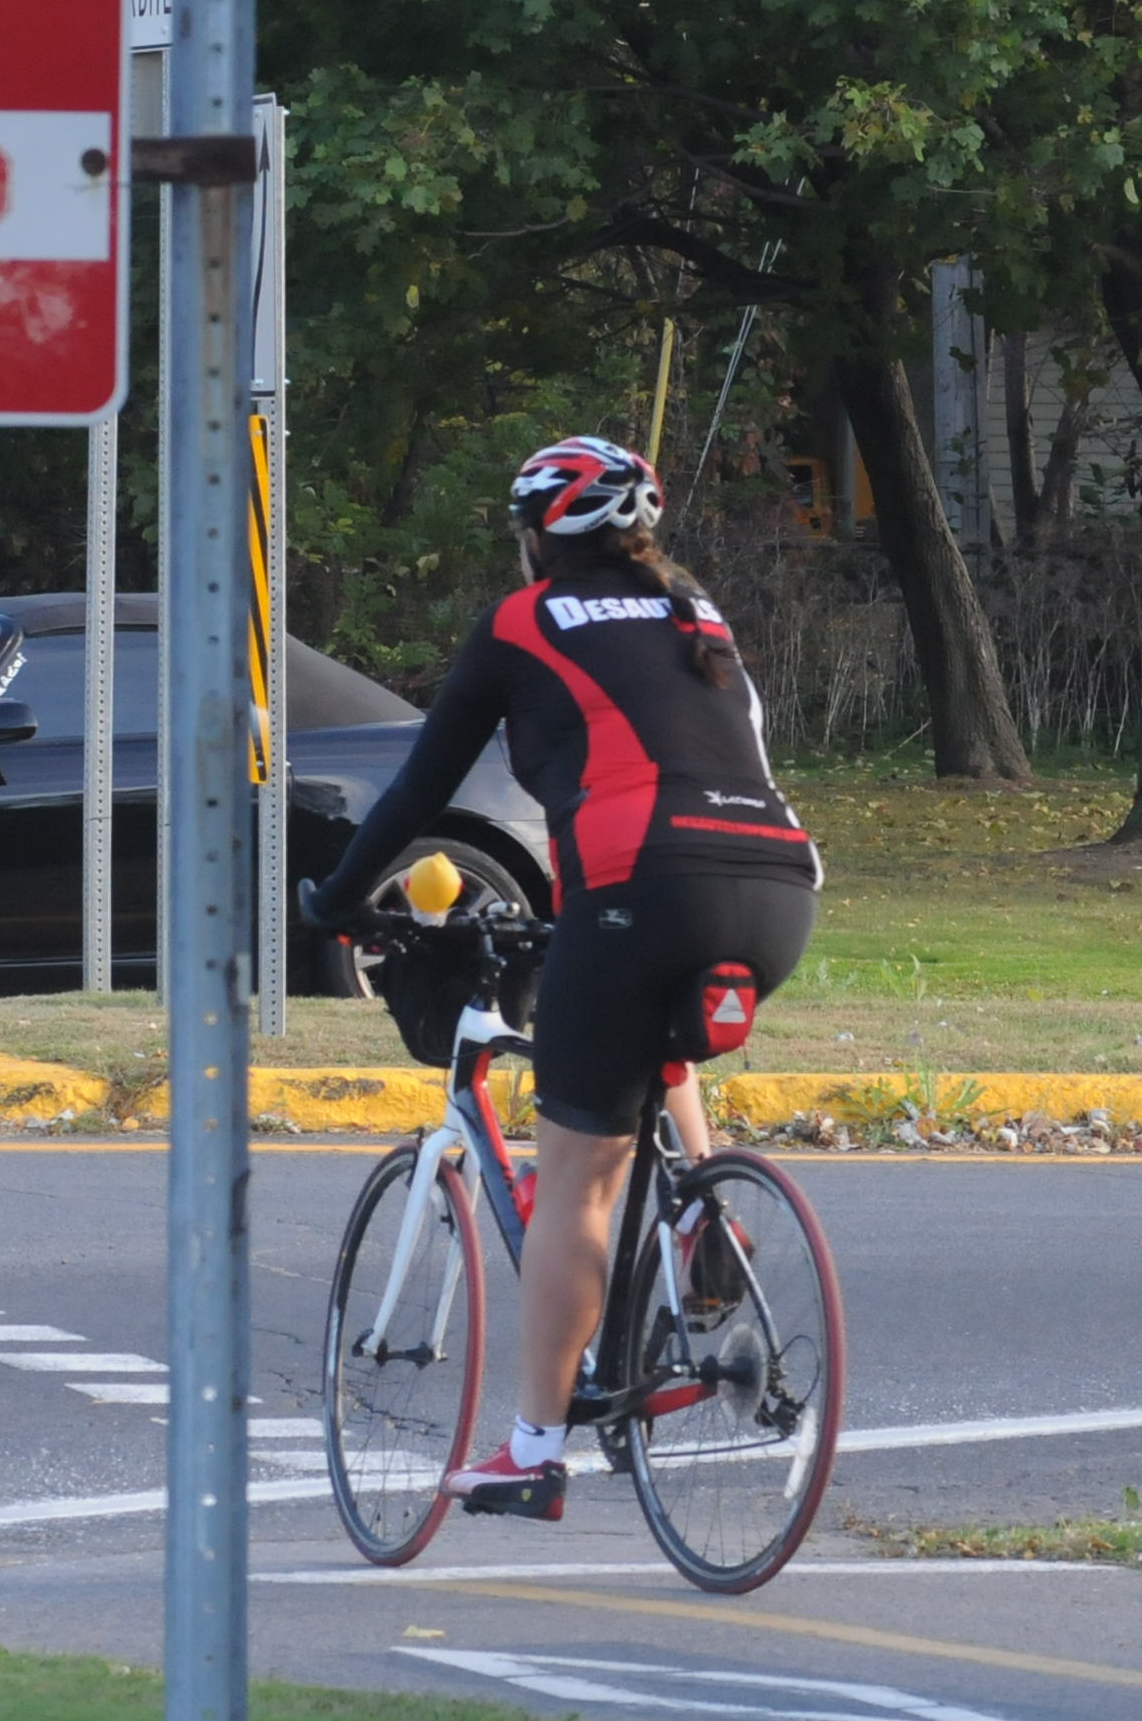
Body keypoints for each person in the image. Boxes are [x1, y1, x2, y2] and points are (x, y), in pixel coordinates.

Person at [300, 436, 821, 1518]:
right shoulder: (698, 615)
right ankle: (701, 1202)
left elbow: (418, 790)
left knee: (578, 1181)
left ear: (537, 536)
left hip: (643, 880)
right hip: (778, 889)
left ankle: (535, 1452)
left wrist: (337, 898)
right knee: (647, 1034)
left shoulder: (521, 620)